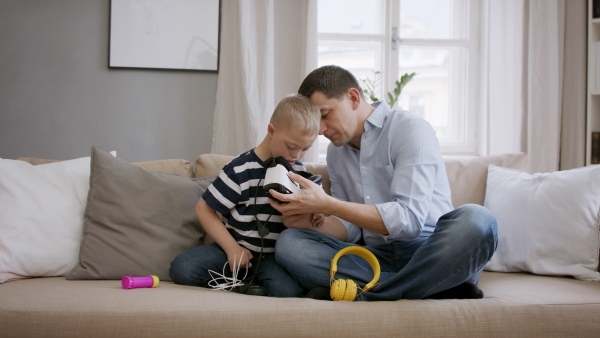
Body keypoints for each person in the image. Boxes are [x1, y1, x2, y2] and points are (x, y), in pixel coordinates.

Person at [268, 65, 498, 301]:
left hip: (431, 251)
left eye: (325, 115)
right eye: (317, 121)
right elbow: (352, 228)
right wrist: (313, 223)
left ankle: (368, 291)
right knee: (290, 244)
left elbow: (408, 221)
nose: (321, 130)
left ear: (353, 98)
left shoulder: (409, 129)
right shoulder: (336, 154)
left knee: (479, 219)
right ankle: (434, 287)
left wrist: (329, 204)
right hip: (375, 257)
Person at [169, 94, 323, 297]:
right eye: (292, 147)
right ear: (271, 131)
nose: (297, 155)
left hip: (273, 258)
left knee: (286, 290)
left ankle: (249, 284)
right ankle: (242, 280)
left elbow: (303, 212)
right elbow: (204, 208)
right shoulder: (240, 169)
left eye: (305, 149)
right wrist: (232, 248)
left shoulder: (297, 171)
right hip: (234, 249)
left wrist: (316, 215)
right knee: (183, 268)